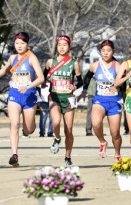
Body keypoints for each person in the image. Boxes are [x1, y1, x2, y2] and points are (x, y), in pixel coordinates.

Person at [0, 32, 44, 167]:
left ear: (27, 44)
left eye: (22, 43)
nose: (19, 46)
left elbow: (41, 78)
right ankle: (14, 155)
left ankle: (31, 126)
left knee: (28, 129)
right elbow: (4, 70)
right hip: (14, 95)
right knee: (14, 124)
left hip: (29, 95)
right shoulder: (12, 58)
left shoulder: (32, 58)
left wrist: (28, 86)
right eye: (17, 43)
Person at [79, 40, 123, 161]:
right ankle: (103, 142)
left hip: (114, 102)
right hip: (99, 100)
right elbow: (87, 77)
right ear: (100, 52)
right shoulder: (95, 65)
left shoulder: (117, 66)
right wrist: (84, 90)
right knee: (96, 123)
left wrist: (117, 87)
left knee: (115, 133)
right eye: (103, 51)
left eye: (108, 50)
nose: (106, 53)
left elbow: (124, 83)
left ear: (113, 51)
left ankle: (117, 153)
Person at [44, 35, 83, 167]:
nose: (62, 47)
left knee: (69, 129)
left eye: (64, 45)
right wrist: (45, 82)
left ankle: (67, 156)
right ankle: (57, 138)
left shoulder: (74, 63)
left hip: (68, 98)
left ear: (69, 47)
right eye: (59, 45)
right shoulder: (50, 62)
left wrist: (75, 86)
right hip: (54, 97)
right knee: (55, 122)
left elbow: (80, 81)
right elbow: (43, 77)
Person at [85, 69, 95, 136]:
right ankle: (88, 130)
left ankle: (99, 130)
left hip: (100, 96)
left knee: (101, 114)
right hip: (91, 96)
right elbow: (84, 75)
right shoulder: (88, 73)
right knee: (89, 113)